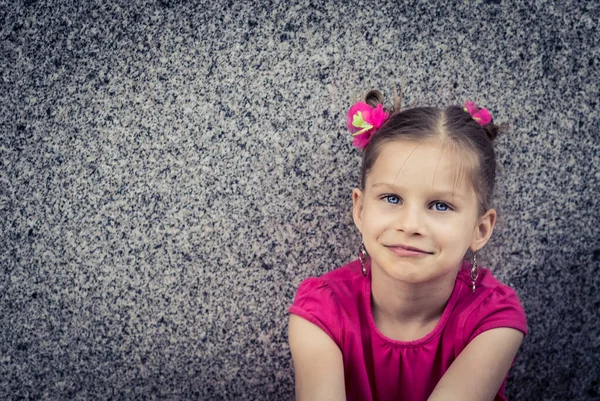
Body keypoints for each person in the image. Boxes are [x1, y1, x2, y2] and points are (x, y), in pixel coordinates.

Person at [288, 89, 528, 401]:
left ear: (480, 229)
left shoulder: (493, 319)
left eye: (440, 205)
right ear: (360, 210)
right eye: (391, 198)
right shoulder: (320, 312)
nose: (410, 225)